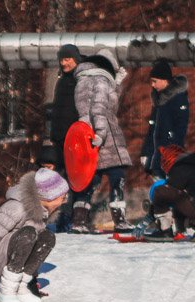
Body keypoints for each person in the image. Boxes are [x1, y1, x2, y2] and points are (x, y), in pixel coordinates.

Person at [0, 168, 68, 302]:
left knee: (47, 237)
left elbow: (33, 247)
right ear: (47, 197)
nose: (65, 200)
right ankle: (6, 291)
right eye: (62, 196)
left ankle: (21, 287)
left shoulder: (42, 212)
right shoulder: (16, 208)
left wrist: (32, 277)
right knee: (29, 233)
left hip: (18, 255)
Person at [70, 48, 132, 234]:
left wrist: (117, 83)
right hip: (105, 139)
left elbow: (91, 106)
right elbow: (100, 108)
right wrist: (101, 133)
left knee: (89, 180)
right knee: (117, 177)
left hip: (86, 138)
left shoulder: (82, 80)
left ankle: (79, 220)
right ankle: (120, 221)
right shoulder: (102, 79)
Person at [143, 145, 195, 242]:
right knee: (183, 197)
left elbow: (168, 195)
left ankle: (165, 231)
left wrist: (151, 214)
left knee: (160, 191)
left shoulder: (179, 168)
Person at [49, 44, 81, 231]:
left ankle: (71, 216)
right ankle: (61, 215)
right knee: (61, 179)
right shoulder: (62, 81)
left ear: (75, 59)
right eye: (62, 59)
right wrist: (54, 134)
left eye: (67, 59)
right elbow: (57, 110)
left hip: (74, 137)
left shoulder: (80, 79)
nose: (64, 63)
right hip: (61, 137)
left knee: (73, 178)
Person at [140, 59, 189, 179]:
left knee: (169, 190)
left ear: (164, 80)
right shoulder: (159, 101)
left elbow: (180, 129)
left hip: (168, 158)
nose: (152, 85)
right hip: (155, 157)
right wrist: (146, 152)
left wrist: (172, 156)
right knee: (160, 190)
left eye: (154, 81)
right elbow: (152, 130)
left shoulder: (178, 99)